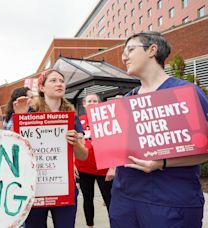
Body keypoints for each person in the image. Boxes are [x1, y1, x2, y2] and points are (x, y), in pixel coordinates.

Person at [110, 31, 208, 228]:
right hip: (124, 199)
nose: (124, 57)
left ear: (152, 50)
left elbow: (204, 149)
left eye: (130, 49)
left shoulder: (185, 92)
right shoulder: (126, 101)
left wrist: (162, 162)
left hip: (170, 201)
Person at [17, 69, 88, 228]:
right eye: (53, 80)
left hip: (64, 185)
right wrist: (19, 118)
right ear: (41, 88)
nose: (59, 84)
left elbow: (83, 155)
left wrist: (75, 143)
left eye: (62, 81)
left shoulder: (71, 115)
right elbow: (18, 149)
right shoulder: (30, 112)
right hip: (36, 186)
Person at [75, 93, 112, 228]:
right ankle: (89, 225)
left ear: (99, 103)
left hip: (103, 168)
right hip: (84, 167)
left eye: (95, 101)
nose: (91, 103)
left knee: (109, 199)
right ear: (84, 104)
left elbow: (114, 143)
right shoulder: (79, 120)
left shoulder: (107, 119)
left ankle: (115, 223)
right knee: (87, 198)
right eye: (89, 101)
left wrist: (113, 167)